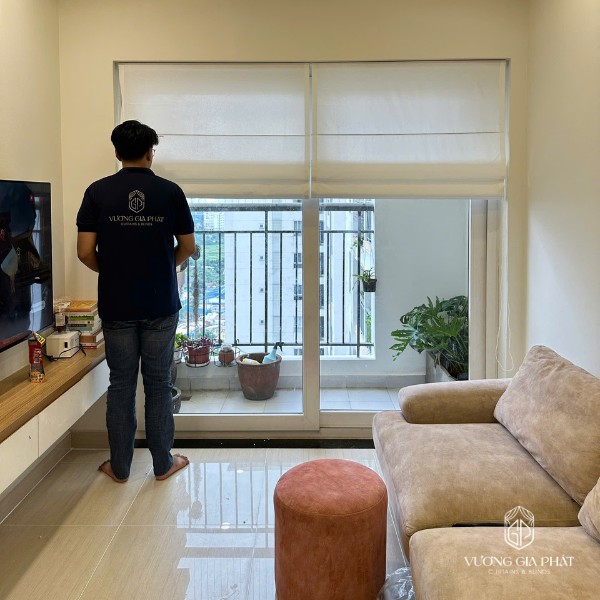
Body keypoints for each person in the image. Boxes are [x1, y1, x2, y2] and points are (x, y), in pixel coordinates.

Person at [77, 120, 196, 482]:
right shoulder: (170, 192)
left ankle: (120, 467)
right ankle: (163, 464)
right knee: (158, 383)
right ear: (150, 153)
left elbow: (84, 251)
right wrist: (163, 265)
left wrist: (114, 270)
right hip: (160, 303)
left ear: (116, 152)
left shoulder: (97, 192)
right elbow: (187, 247)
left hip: (117, 304)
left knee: (121, 384)